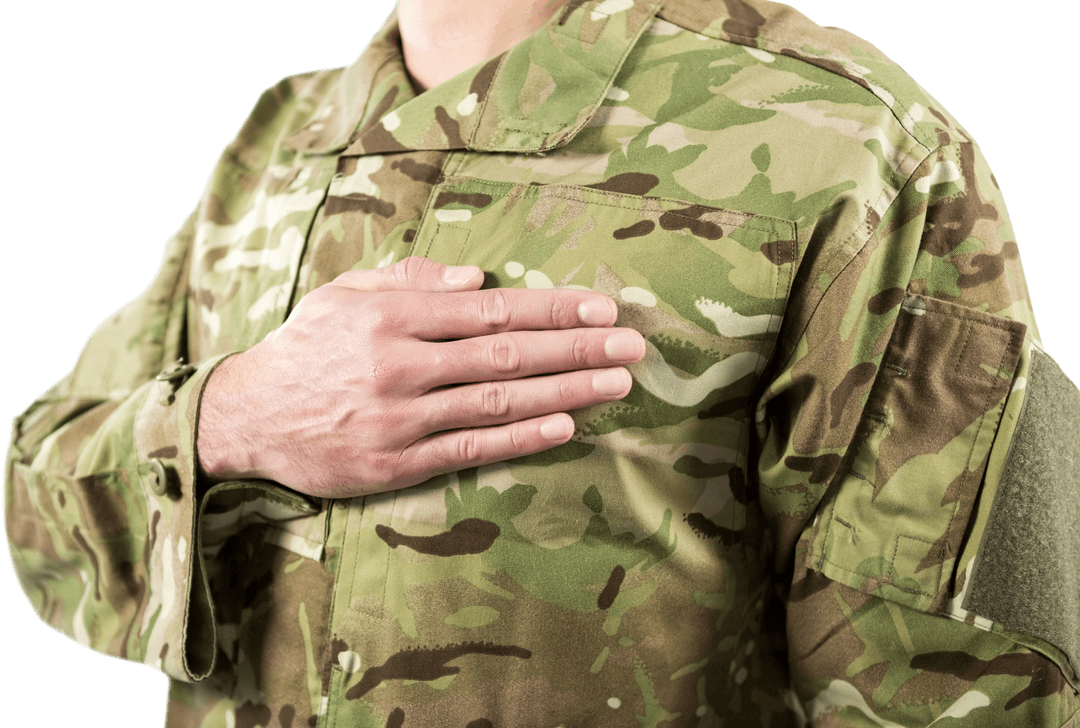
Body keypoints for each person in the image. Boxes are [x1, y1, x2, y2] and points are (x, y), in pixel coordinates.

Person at [4, 0, 1078, 726]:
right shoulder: (279, 141)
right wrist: (227, 421)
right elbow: (37, 492)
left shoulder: (858, 151)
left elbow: (970, 692)